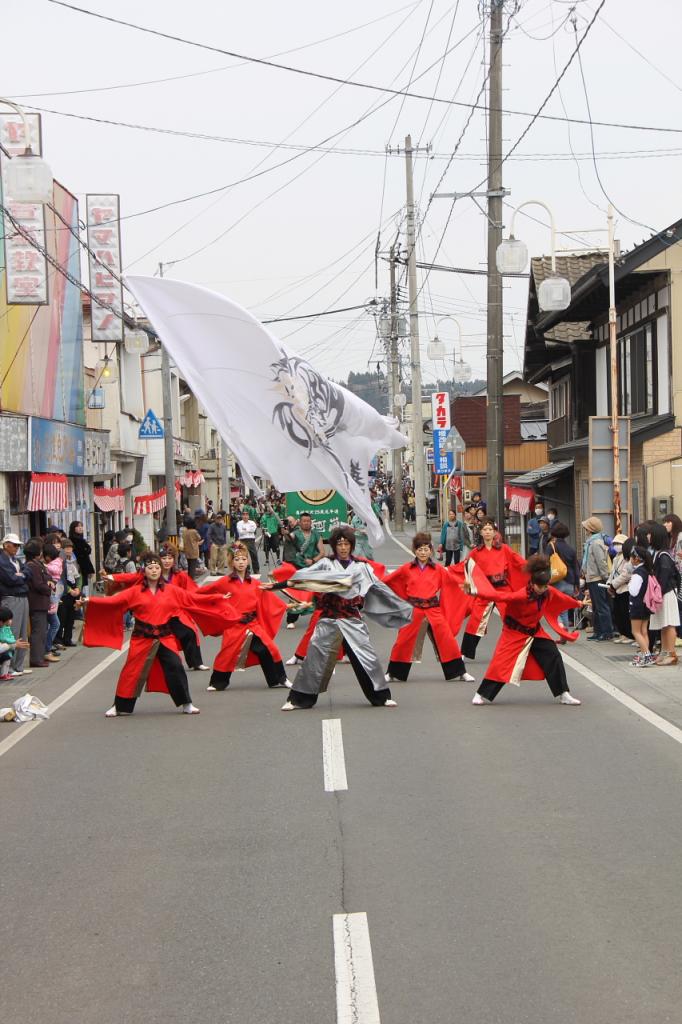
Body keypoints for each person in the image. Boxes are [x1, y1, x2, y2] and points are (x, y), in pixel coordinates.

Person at [267, 526, 412, 710]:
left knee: (366, 658)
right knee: (314, 658)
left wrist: (401, 607)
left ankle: (381, 697)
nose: (343, 547)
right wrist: (276, 586)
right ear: (334, 546)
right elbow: (302, 577)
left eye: (346, 544)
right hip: (329, 617)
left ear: (351, 545)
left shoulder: (361, 566)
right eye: (339, 544)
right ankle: (298, 699)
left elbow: (379, 588)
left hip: (352, 618)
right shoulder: (326, 564)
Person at [82, 551, 235, 717]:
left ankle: (187, 703)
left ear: (161, 570)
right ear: (144, 571)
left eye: (157, 567)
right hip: (142, 637)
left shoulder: (172, 591)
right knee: (131, 671)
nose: (154, 570)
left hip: (165, 637)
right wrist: (90, 600)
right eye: (150, 567)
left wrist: (218, 597)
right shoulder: (135, 592)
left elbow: (194, 599)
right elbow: (113, 601)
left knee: (176, 667)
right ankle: (120, 706)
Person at [471, 555, 583, 706]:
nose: (543, 589)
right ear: (533, 583)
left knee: (553, 655)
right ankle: (481, 694)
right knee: (501, 664)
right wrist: (476, 591)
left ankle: (564, 693)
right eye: (540, 586)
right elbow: (499, 595)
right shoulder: (522, 595)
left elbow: (563, 598)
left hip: (534, 631)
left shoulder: (547, 592)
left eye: (545, 586)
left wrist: (578, 603)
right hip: (514, 632)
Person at [383, 532, 474, 683]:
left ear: (430, 550)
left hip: (433, 609)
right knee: (403, 641)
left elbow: (453, 581)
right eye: (420, 549)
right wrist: (374, 584)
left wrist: (466, 583)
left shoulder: (438, 569)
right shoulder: (406, 568)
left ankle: (460, 672)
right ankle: (393, 673)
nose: (423, 552)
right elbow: (388, 580)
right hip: (414, 609)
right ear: (414, 550)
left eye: (426, 549)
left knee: (447, 640)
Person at [201, 542, 290, 690]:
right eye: (237, 559)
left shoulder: (254, 583)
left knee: (269, 648)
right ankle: (218, 682)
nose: (240, 562)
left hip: (252, 624)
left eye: (243, 559)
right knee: (228, 653)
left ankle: (279, 679)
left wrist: (286, 605)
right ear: (232, 562)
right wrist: (218, 599)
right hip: (234, 624)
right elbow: (203, 593)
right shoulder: (224, 582)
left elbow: (268, 599)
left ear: (247, 561)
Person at [459, 517, 527, 660]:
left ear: (495, 531)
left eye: (490, 529)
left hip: (503, 588)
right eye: (485, 529)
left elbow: (518, 561)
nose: (488, 532)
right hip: (485, 590)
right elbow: (465, 567)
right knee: (476, 620)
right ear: (481, 533)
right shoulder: (476, 552)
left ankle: (519, 649)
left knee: (511, 617)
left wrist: (534, 568)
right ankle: (465, 652)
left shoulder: (504, 548)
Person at [649, 521, 681, 666]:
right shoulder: (660, 554)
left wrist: (657, 594)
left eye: (651, 534)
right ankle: (664, 651)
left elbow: (664, 577)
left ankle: (671, 653)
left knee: (669, 624)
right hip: (663, 593)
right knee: (664, 624)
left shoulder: (663, 556)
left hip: (666, 593)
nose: (648, 536)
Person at [0, 532, 30, 675]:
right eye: (14, 545)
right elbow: (10, 579)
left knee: (23, 630)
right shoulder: (2, 560)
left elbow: (27, 572)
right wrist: (21, 577)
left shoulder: (16, 560)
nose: (17, 548)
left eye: (18, 545)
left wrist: (21, 575)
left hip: (22, 596)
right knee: (12, 631)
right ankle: (9, 667)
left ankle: (19, 666)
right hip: (10, 597)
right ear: (6, 545)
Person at [581, 517, 615, 641]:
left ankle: (606, 632)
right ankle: (598, 631)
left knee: (601, 606)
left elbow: (601, 562)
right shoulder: (592, 542)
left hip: (597, 579)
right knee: (596, 607)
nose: (585, 530)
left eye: (586, 528)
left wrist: (606, 577)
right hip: (592, 578)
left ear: (590, 529)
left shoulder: (595, 543)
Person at [23, 538, 53, 669]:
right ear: (37, 553)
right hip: (37, 601)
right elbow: (38, 584)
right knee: (38, 631)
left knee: (41, 630)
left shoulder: (35, 564)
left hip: (40, 601)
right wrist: (49, 588)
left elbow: (46, 578)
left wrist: (50, 583)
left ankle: (39, 657)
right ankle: (36, 659)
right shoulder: (32, 566)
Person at [548, 522, 581, 631]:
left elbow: (545, 563)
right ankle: (564, 631)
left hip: (556, 581)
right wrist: (576, 585)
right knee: (564, 608)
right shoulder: (571, 549)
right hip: (569, 583)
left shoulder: (551, 546)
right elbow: (576, 568)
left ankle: (561, 626)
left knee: (553, 608)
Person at [628, 544, 655, 667]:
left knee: (636, 632)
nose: (630, 559)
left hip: (637, 605)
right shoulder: (647, 570)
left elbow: (633, 591)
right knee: (644, 631)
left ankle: (646, 655)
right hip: (645, 605)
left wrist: (629, 584)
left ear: (637, 559)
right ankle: (646, 654)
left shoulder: (637, 573)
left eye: (631, 557)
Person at [606, 534, 633, 643]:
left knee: (625, 613)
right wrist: (609, 583)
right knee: (618, 613)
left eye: (619, 544)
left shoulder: (627, 557)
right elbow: (612, 573)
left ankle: (629, 635)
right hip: (617, 588)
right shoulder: (616, 557)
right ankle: (623, 634)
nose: (616, 546)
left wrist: (613, 584)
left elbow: (625, 575)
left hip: (624, 588)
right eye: (615, 544)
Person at [55, 537, 81, 648]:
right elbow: (60, 579)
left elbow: (80, 576)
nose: (69, 550)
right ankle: (58, 640)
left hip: (75, 591)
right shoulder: (60, 562)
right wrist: (70, 590)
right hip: (65, 593)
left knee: (71, 617)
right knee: (62, 617)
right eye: (66, 548)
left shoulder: (74, 561)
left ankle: (68, 638)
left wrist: (78, 589)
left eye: (70, 548)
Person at [43, 541, 64, 662]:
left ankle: (48, 647)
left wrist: (45, 566)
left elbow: (55, 571)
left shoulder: (55, 562)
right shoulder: (58, 560)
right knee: (54, 623)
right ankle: (48, 647)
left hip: (53, 590)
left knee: (54, 623)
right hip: (53, 591)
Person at [0, 606, 29, 680]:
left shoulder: (3, 627)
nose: (9, 622)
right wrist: (13, 645)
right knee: (6, 652)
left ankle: (4, 674)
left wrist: (14, 644)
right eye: (7, 621)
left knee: (7, 656)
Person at [68, 521, 95, 592]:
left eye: (81, 526)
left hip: (81, 567)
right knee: (78, 586)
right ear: (73, 528)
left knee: (80, 587)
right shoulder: (74, 540)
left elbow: (87, 551)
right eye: (78, 526)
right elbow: (84, 553)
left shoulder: (81, 539)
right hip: (78, 567)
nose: (80, 528)